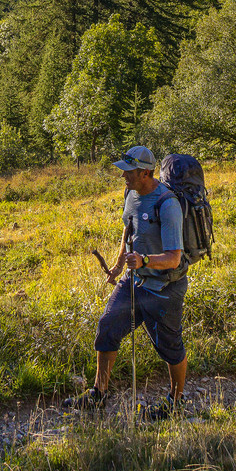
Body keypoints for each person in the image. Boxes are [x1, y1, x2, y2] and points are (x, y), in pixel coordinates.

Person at [63, 146, 189, 419]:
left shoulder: (168, 205)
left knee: (170, 346)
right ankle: (98, 394)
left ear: (145, 173)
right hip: (133, 281)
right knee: (108, 327)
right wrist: (119, 265)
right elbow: (128, 230)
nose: (123, 176)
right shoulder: (131, 194)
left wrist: (144, 260)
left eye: (128, 172)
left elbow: (174, 258)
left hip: (164, 287)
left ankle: (176, 402)